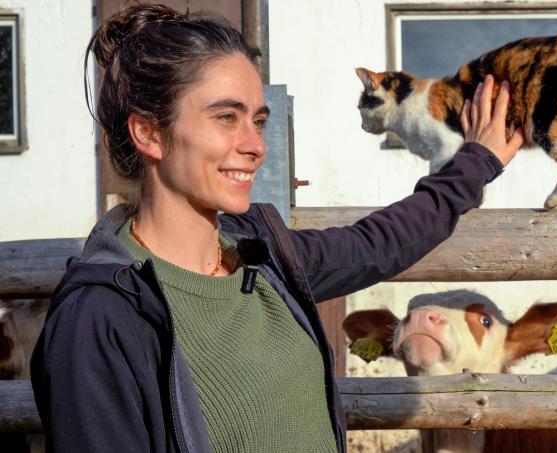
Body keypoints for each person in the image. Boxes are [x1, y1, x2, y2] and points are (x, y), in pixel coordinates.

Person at [30, 3, 524, 453]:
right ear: (149, 133)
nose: (255, 145)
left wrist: (475, 162)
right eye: (226, 117)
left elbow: (381, 242)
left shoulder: (266, 262)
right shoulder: (99, 317)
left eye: (259, 121)